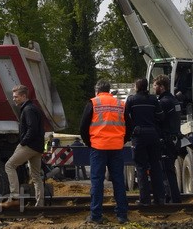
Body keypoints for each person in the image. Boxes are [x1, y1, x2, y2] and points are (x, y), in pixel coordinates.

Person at [78, 80, 129, 224]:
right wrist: (121, 141)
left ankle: (96, 216)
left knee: (97, 181)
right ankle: (122, 215)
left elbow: (83, 127)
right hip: (116, 148)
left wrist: (90, 143)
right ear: (109, 90)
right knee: (118, 181)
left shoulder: (93, 103)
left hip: (98, 147)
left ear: (97, 91)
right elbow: (129, 126)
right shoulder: (120, 104)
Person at [0, 84, 45, 209]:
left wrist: (23, 142)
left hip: (29, 146)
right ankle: (40, 204)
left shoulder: (28, 109)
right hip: (37, 147)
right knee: (36, 176)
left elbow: (32, 129)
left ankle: (14, 197)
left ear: (24, 96)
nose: (14, 99)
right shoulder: (32, 108)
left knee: (9, 166)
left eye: (16, 97)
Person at [124, 77, 165, 206]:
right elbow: (161, 116)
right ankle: (160, 199)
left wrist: (131, 130)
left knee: (141, 167)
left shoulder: (131, 100)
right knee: (155, 166)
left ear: (137, 87)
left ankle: (144, 200)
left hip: (139, 135)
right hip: (153, 134)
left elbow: (125, 117)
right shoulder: (153, 100)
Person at [153, 74, 182, 203]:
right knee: (170, 170)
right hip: (175, 138)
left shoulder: (163, 102)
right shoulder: (174, 100)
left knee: (166, 170)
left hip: (166, 139)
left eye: (155, 86)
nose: (153, 88)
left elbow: (159, 119)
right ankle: (174, 197)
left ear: (162, 87)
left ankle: (171, 199)